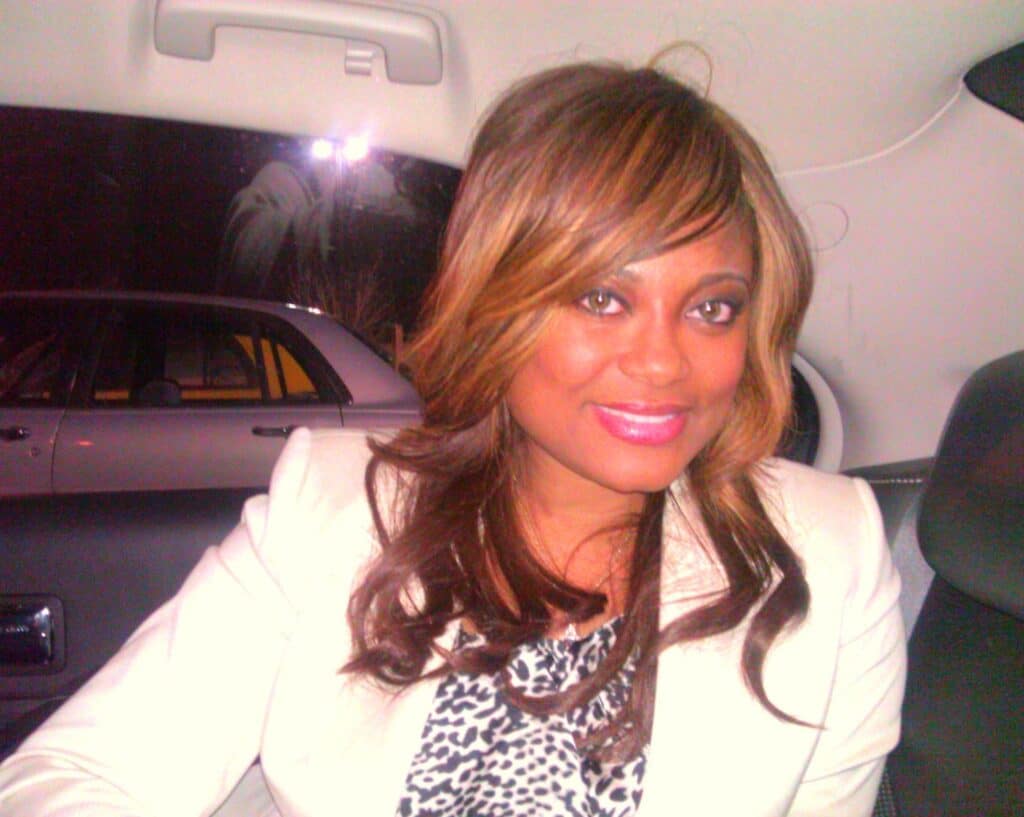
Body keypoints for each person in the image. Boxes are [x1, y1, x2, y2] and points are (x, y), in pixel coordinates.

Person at [0, 60, 905, 817]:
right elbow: (63, 778)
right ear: (497, 301)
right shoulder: (334, 500)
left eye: (712, 308)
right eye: (602, 297)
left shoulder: (829, 552)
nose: (665, 361)